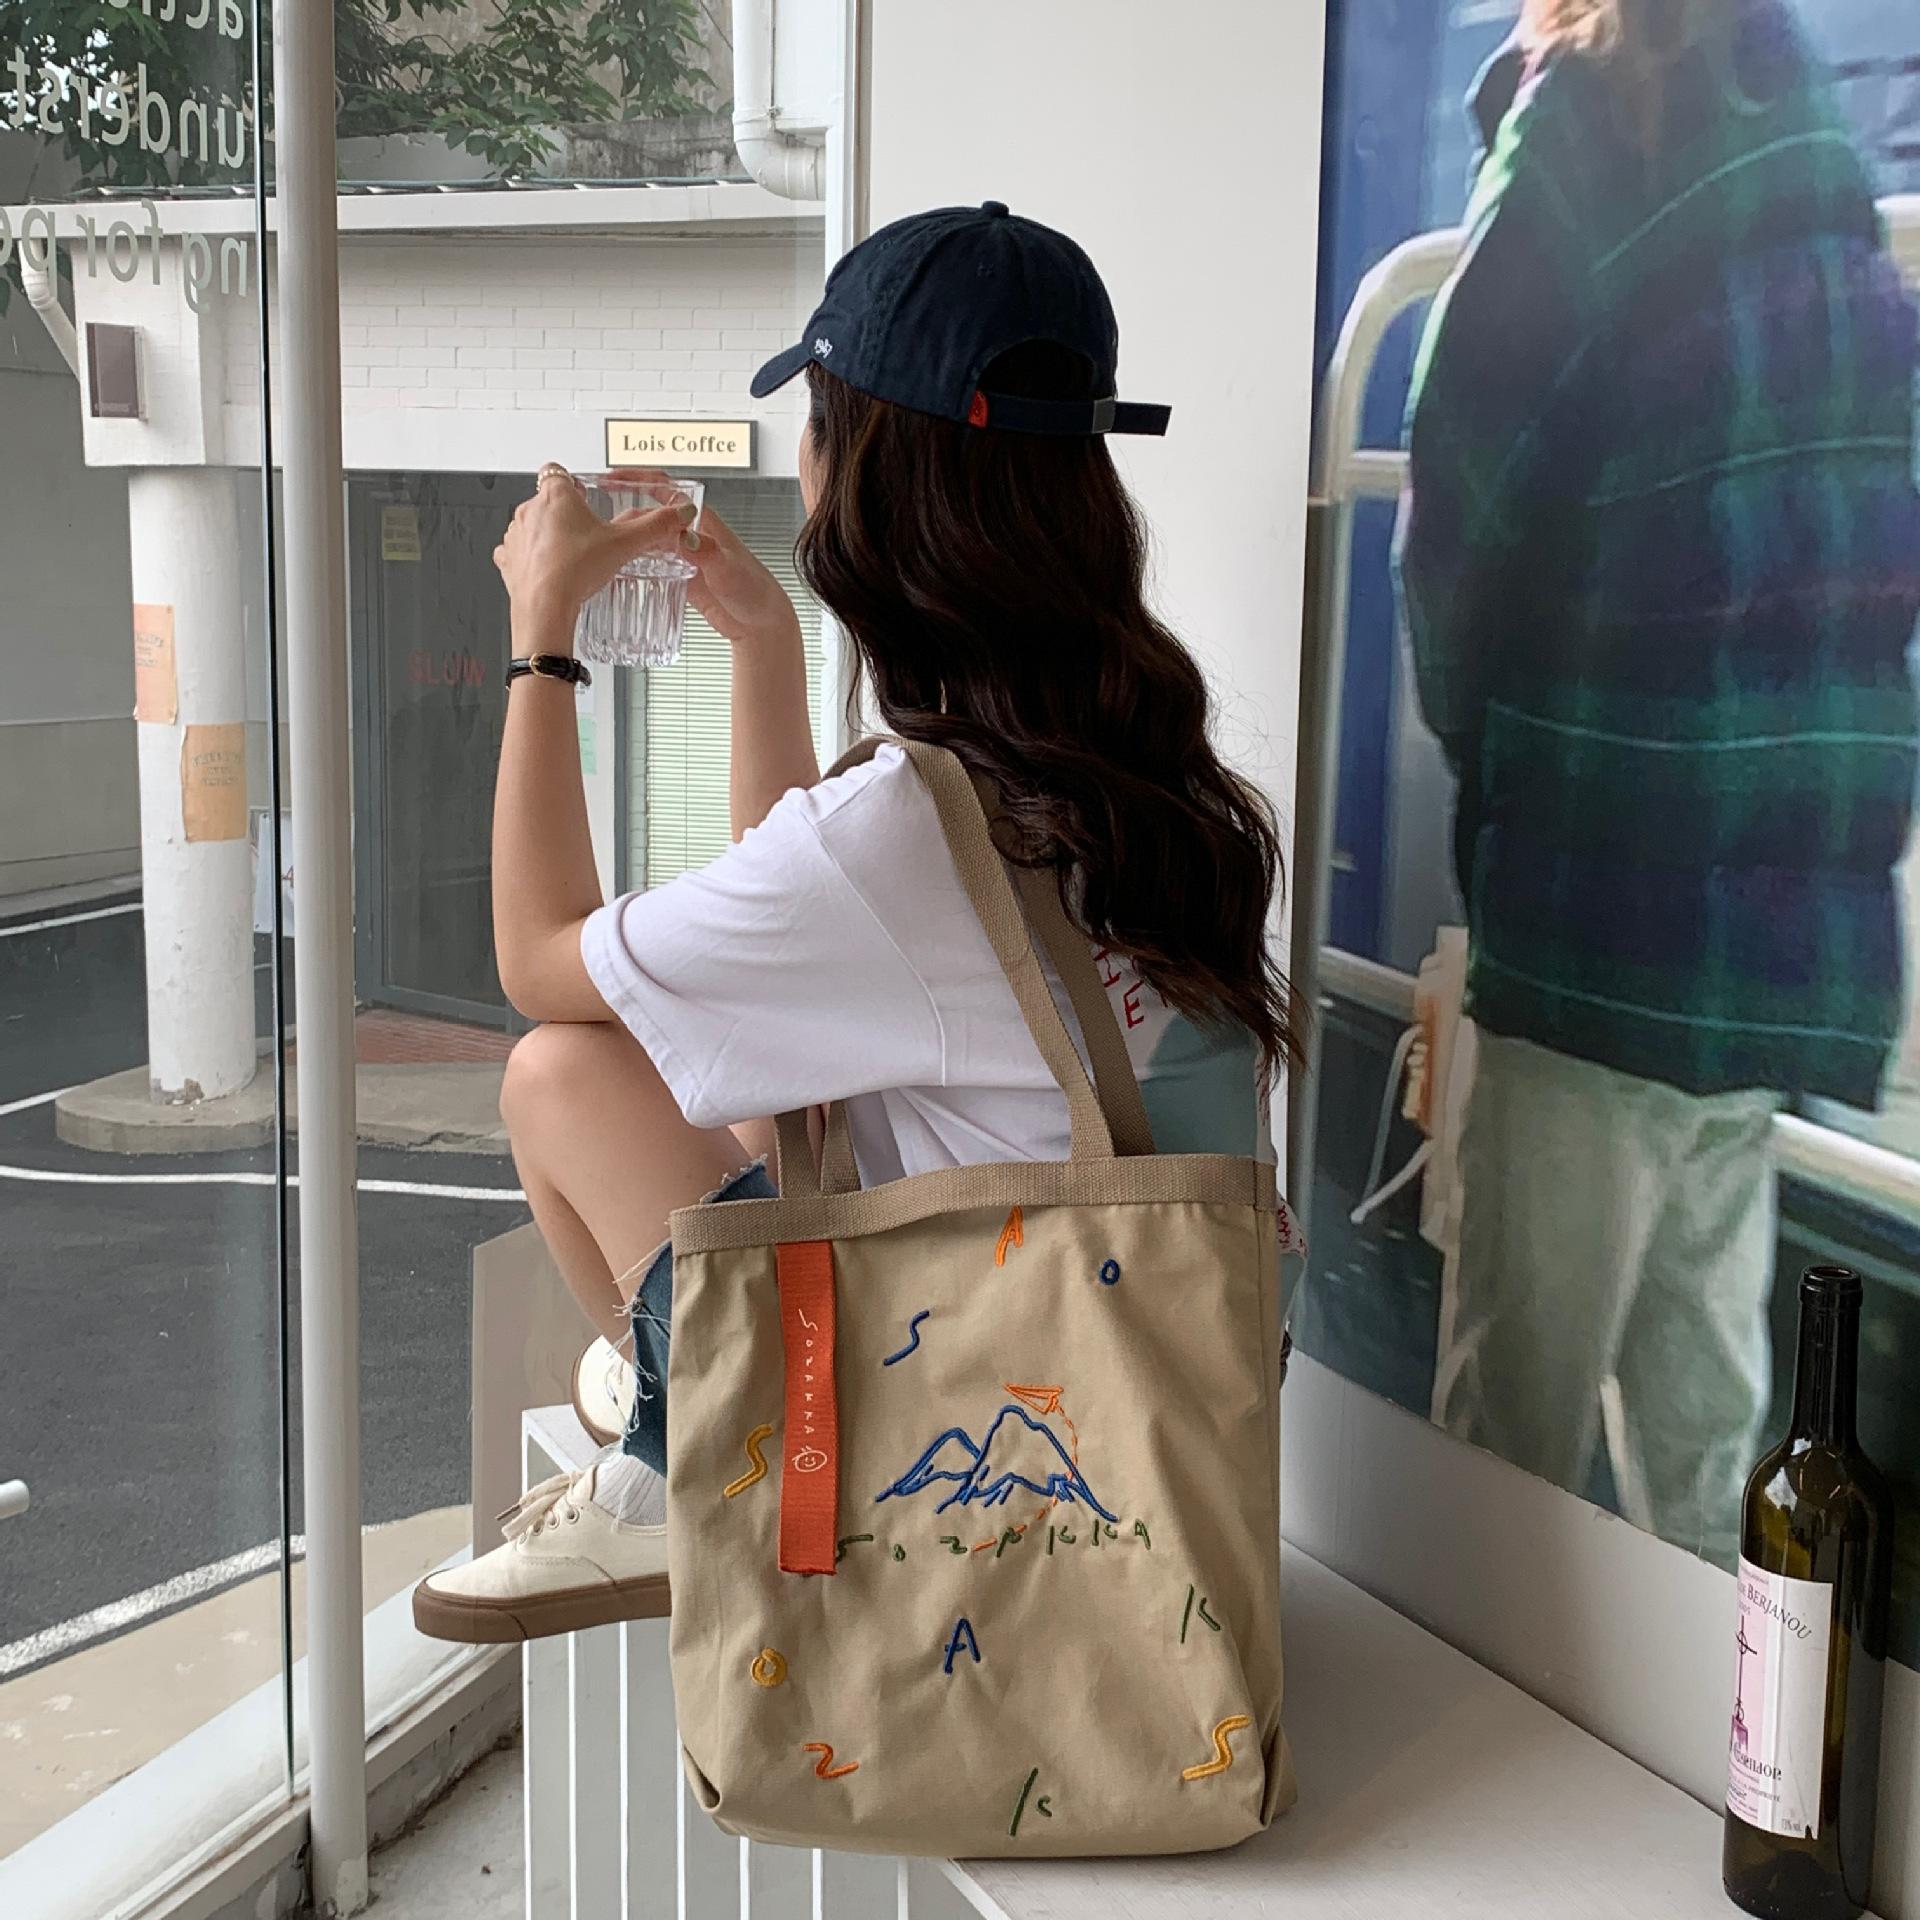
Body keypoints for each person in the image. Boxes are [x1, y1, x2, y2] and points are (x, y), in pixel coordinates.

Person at [413, 202, 1294, 1642]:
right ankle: (674, 1409)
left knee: (559, 1071)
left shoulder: (907, 830)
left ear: (857, 470)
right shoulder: (1141, 769)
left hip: (973, 1471)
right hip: (1151, 1421)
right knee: (785, 1086)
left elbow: (537, 958)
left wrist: (542, 640)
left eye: (818, 425)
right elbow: (808, 981)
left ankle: (671, 1465)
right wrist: (765, 645)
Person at [1397, 0, 1920, 1563]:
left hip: (1601, 893)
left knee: (1510, 1421)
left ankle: (1499, 1709)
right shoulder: (1812, 136)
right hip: (1781, 918)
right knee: (1704, 1426)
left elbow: (1455, 520)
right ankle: (1708, 1701)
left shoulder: (1576, 131)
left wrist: (1493, 766)